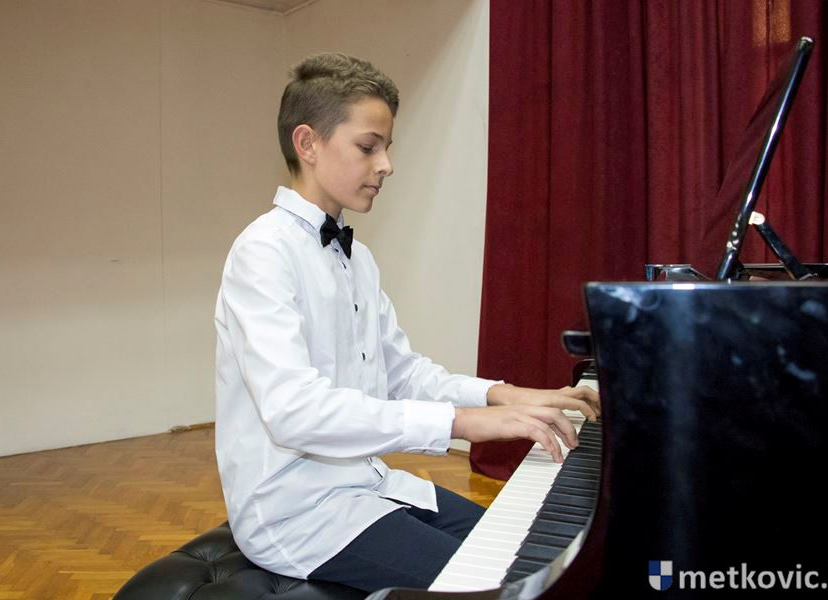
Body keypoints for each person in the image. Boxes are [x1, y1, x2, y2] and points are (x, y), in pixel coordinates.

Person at [214, 52, 600, 593]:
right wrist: (464, 424)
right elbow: (294, 413)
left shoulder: (358, 259)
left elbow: (403, 374)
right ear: (308, 143)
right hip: (297, 512)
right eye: (368, 147)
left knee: (526, 547)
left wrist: (505, 396)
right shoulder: (262, 252)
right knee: (497, 581)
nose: (386, 165)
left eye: (387, 147)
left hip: (367, 483)